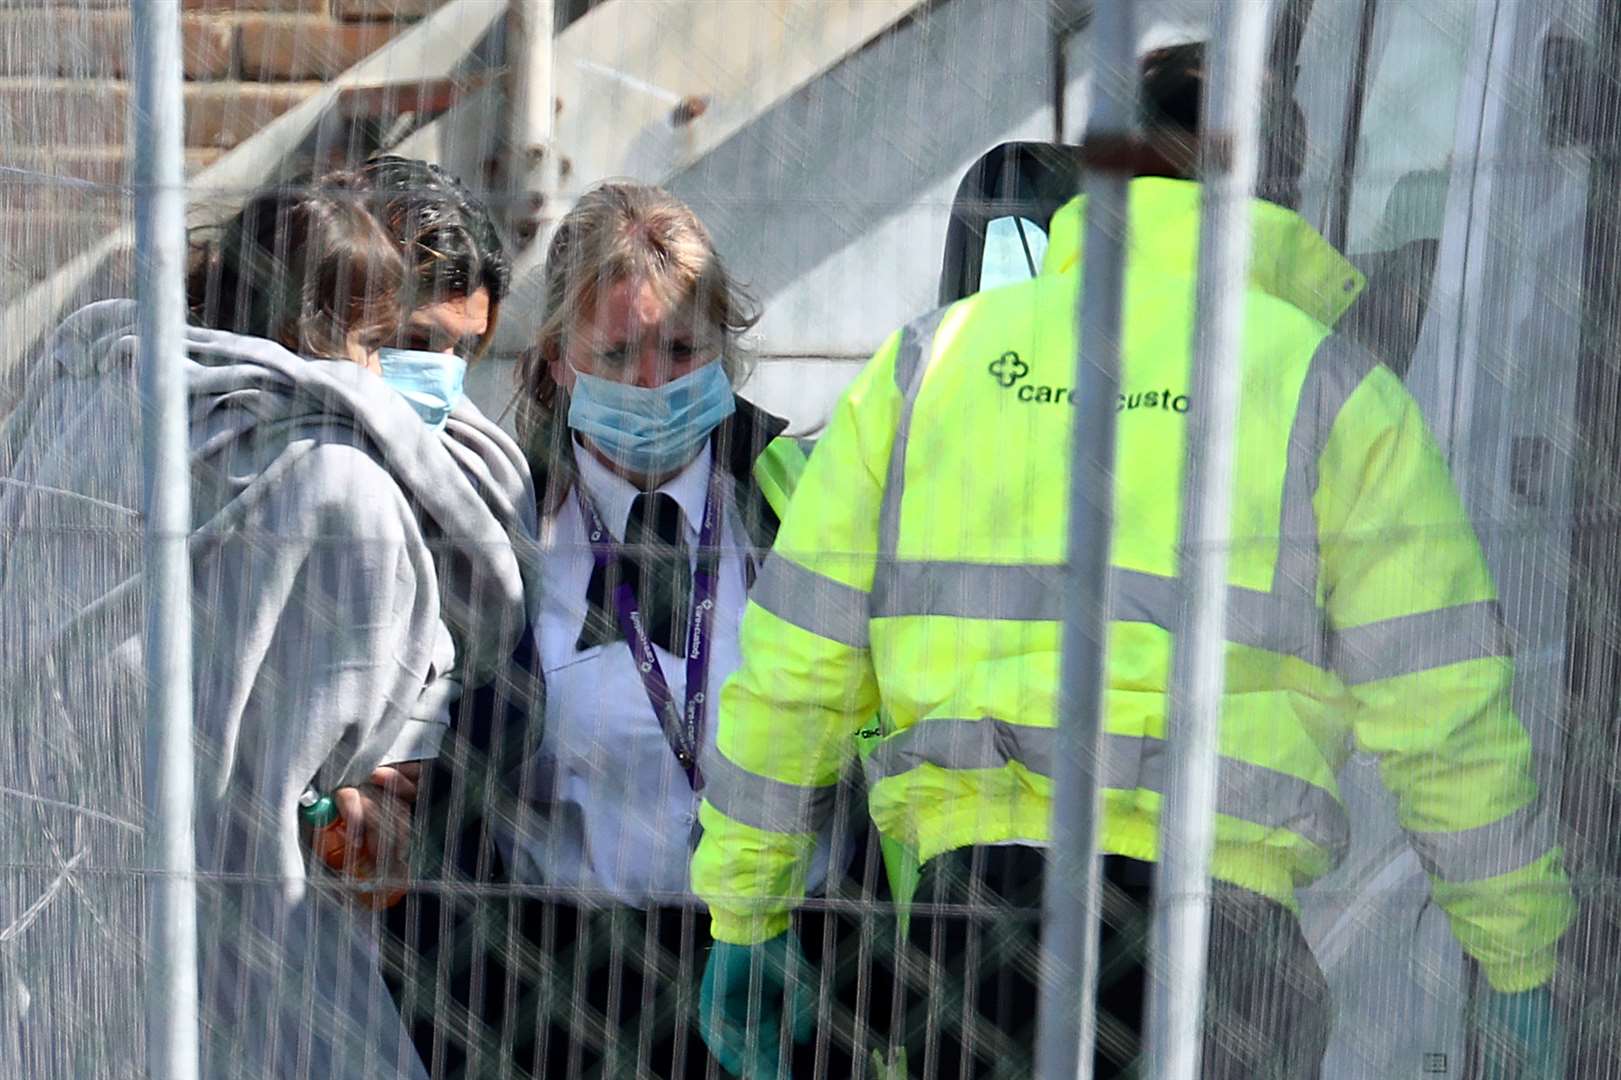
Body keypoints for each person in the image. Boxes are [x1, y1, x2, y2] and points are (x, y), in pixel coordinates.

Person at [689, 43, 1576, 1080]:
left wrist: (746, 916)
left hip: (976, 932)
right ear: (1282, 192)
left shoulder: (934, 363)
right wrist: (1516, 958)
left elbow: (795, 669)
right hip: (1220, 944)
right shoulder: (1332, 393)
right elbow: (1442, 711)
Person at [0, 168, 537, 1079]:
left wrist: (398, 794)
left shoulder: (84, 386)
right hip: (248, 939)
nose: (431, 380)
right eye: (401, 341)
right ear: (328, 308)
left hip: (71, 916)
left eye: (464, 352)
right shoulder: (336, 478)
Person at [465, 179, 854, 1078]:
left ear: (726, 352)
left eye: (682, 350)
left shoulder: (802, 503)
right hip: (568, 988)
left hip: (793, 970)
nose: (653, 385)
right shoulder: (505, 524)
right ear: (559, 357)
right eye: (620, 352)